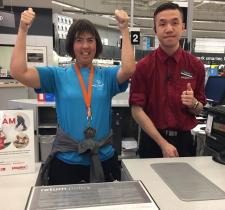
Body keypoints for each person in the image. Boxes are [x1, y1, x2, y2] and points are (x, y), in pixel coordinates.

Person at [10, 8, 135, 185]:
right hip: (67, 161)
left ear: (96, 45)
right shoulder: (57, 75)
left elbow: (129, 69)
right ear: (71, 45)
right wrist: (23, 29)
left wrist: (124, 28)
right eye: (79, 40)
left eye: (90, 40)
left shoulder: (106, 76)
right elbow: (18, 71)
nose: (85, 46)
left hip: (103, 158)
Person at [129, 2, 206, 158]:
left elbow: (200, 107)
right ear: (155, 30)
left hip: (184, 143)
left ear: (183, 27)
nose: (169, 29)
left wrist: (194, 104)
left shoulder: (195, 66)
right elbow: (136, 110)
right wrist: (162, 143)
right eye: (162, 24)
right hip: (152, 142)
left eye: (175, 23)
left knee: (183, 183)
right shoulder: (143, 67)